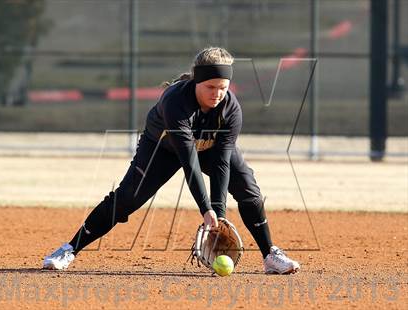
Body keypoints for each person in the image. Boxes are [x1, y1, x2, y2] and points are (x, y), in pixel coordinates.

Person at [43, 47, 300, 274]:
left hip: (209, 149)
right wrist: (205, 209)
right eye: (210, 87)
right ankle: (69, 249)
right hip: (162, 148)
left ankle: (270, 255)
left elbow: (221, 162)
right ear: (197, 82)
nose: (217, 94)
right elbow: (189, 160)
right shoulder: (176, 101)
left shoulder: (231, 110)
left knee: (247, 188)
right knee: (127, 198)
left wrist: (218, 216)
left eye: (223, 87)